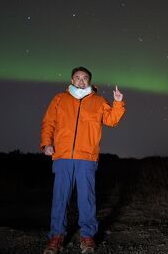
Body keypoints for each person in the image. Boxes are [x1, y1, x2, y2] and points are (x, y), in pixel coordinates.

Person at [40, 66, 125, 254]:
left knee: (87, 198)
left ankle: (87, 237)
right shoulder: (60, 99)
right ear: (71, 81)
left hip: (86, 158)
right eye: (77, 77)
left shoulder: (98, 101)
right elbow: (49, 122)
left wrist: (118, 103)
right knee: (60, 198)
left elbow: (111, 120)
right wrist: (46, 143)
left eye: (84, 78)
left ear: (89, 81)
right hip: (62, 157)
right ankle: (56, 237)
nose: (81, 80)